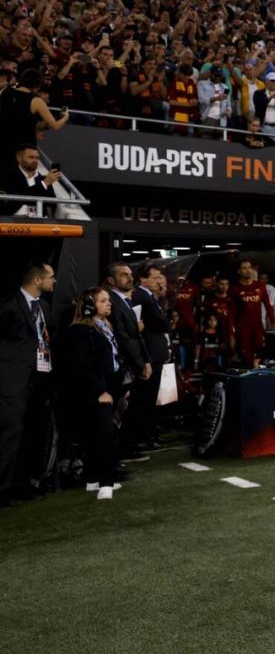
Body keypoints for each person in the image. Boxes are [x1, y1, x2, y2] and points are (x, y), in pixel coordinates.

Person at [59, 289, 123, 500]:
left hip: (109, 387)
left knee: (99, 434)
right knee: (103, 435)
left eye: (109, 300)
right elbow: (82, 365)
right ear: (89, 305)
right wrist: (100, 391)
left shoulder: (105, 326)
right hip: (94, 391)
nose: (109, 304)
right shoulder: (80, 330)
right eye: (103, 301)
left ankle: (93, 479)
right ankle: (106, 482)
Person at [0, 264, 55, 507]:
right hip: (11, 382)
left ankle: (24, 483)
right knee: (10, 435)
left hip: (39, 380)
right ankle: (3, 489)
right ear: (36, 280)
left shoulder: (44, 306)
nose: (55, 282)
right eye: (51, 277)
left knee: (33, 432)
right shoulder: (8, 305)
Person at [105, 262, 151, 462]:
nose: (129, 278)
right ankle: (117, 453)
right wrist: (140, 363)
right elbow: (124, 338)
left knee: (127, 410)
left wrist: (145, 361)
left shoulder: (125, 301)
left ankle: (123, 450)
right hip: (121, 367)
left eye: (130, 274)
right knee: (118, 411)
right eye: (123, 275)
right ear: (111, 280)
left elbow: (137, 336)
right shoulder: (113, 302)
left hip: (133, 364)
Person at [133, 265, 171, 451]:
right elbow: (162, 323)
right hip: (149, 354)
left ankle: (149, 435)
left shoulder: (150, 297)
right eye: (155, 277)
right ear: (143, 279)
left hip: (156, 353)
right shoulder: (141, 296)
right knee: (145, 398)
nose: (159, 281)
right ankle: (142, 437)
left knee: (152, 398)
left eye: (160, 277)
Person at [0, 70, 69, 161]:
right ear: (38, 85)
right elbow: (55, 126)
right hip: (24, 148)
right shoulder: (36, 101)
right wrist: (65, 117)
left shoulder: (4, 92)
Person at [229, 260, 275, 365]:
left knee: (260, 354)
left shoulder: (260, 286)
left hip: (258, 327)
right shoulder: (234, 289)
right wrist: (231, 334)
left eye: (249, 267)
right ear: (239, 271)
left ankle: (258, 378)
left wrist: (273, 322)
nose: (247, 270)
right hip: (242, 328)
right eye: (244, 268)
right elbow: (231, 313)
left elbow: (268, 306)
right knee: (246, 357)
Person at [5, 144, 64, 217]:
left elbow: (52, 204)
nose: (35, 160)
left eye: (37, 158)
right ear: (19, 158)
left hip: (39, 222)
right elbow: (14, 200)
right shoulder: (7, 176)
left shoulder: (43, 178)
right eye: (31, 157)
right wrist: (44, 184)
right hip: (12, 222)